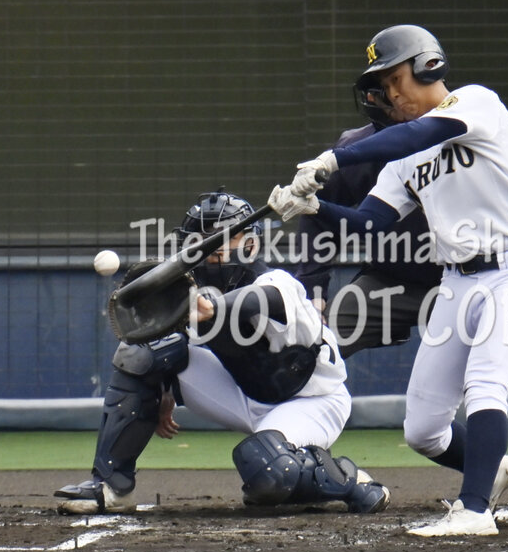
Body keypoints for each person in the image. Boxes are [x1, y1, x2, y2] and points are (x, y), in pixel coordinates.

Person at [271, 24, 508, 536]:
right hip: (456, 282)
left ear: (427, 66)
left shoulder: (476, 103)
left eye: (395, 78)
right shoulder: (405, 157)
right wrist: (315, 207)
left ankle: (474, 511)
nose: (390, 93)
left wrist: (334, 158)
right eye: (383, 84)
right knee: (423, 429)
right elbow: (372, 223)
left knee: (485, 385)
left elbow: (421, 132)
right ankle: (492, 470)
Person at [55, 190, 390, 516]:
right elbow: (166, 345)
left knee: (269, 471)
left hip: (312, 401)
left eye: (222, 237)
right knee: (141, 352)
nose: (210, 245)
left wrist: (214, 308)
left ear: (250, 243)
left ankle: (348, 480)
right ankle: (112, 486)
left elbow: (265, 300)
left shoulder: (276, 281)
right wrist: (163, 389)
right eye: (201, 238)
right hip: (243, 392)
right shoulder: (192, 288)